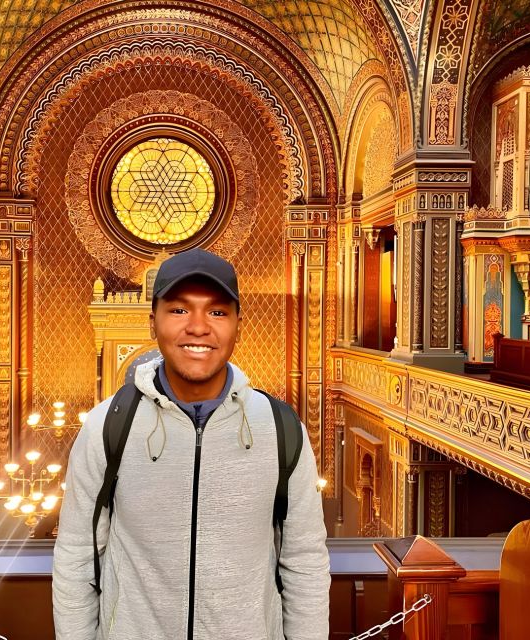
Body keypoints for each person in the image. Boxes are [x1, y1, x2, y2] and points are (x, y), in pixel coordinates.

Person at [53, 248, 331, 640]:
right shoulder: (106, 426)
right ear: (153, 323)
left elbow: (304, 561)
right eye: (179, 310)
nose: (198, 327)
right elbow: (77, 557)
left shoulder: (280, 428)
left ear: (238, 324)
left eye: (217, 312)